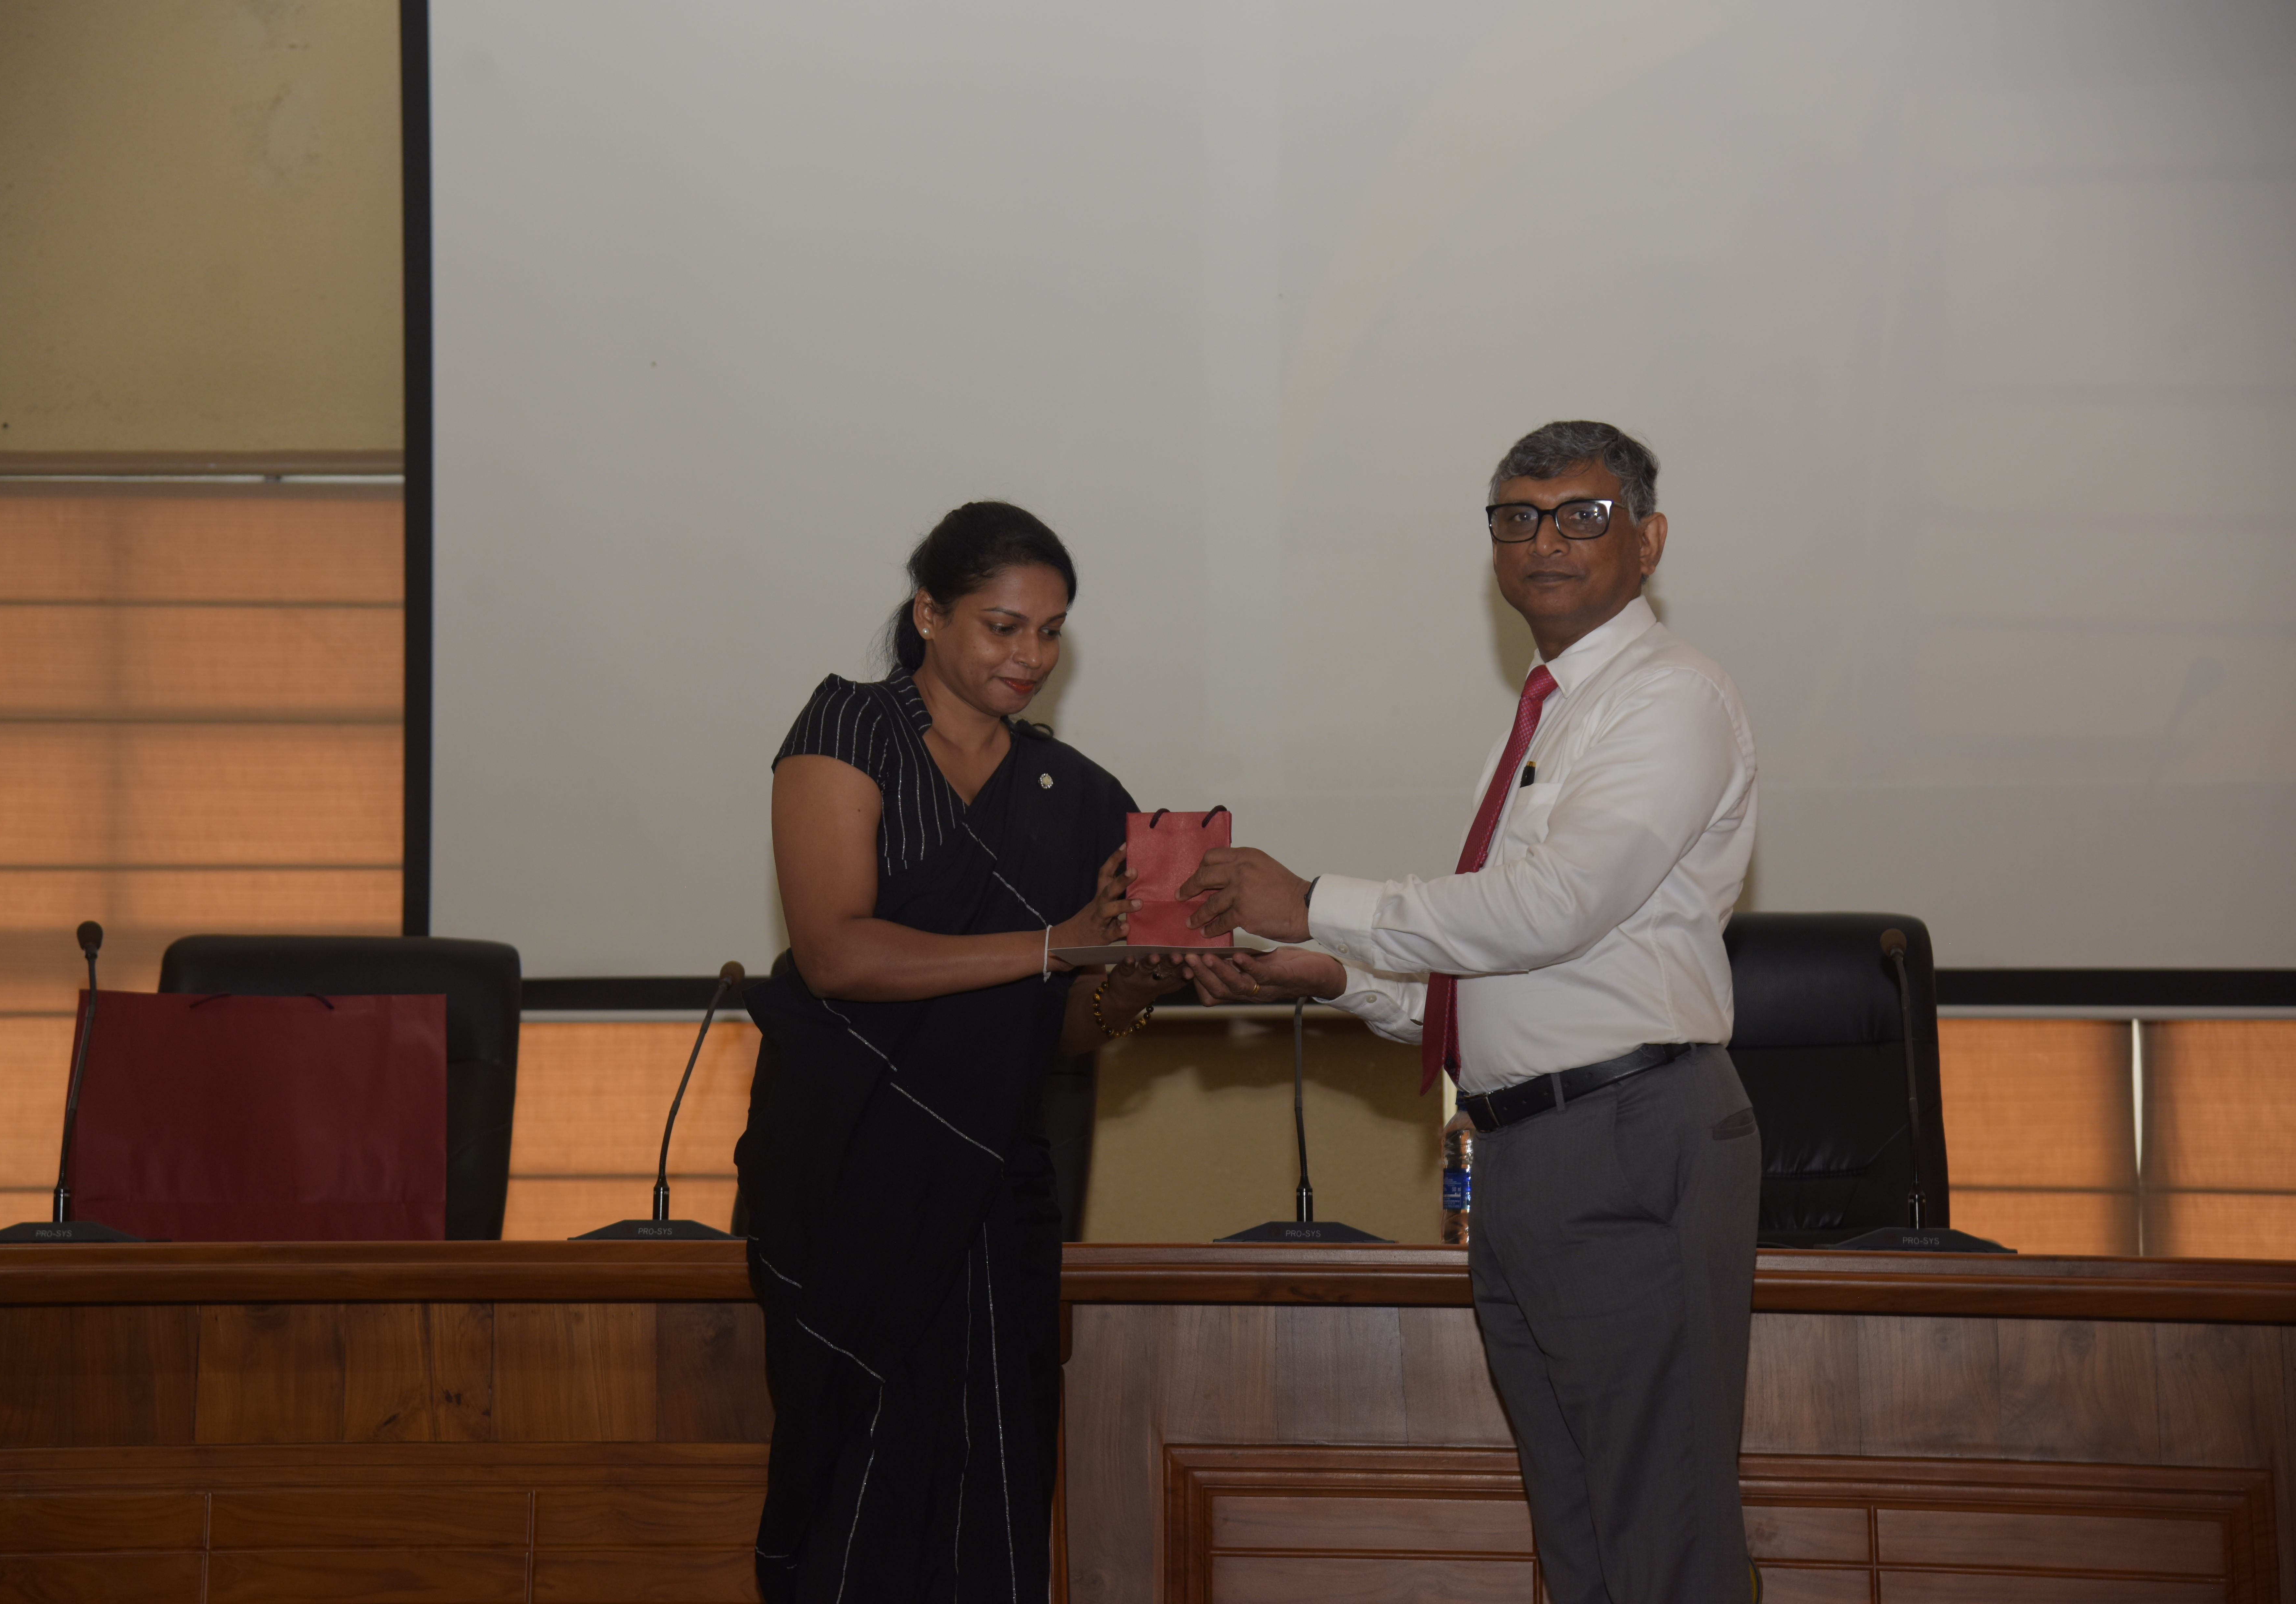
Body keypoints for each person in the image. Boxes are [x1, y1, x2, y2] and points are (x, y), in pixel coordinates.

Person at [1176, 422, 1762, 1603]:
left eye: (1582, 516)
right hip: (1527, 1153)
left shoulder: (1670, 697)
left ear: (1649, 541)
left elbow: (1553, 908)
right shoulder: (1550, 713)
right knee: (1580, 1535)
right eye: (1517, 518)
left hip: (1625, 1138)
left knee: (1661, 1535)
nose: (1546, 542)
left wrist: (1314, 902)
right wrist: (1340, 979)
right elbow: (1510, 979)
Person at [736, 501, 1177, 1603]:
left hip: (994, 1179)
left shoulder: (1074, 795)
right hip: (847, 1167)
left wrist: (1134, 985)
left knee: (997, 1483)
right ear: (929, 614)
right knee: (853, 1482)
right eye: (1002, 627)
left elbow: (1060, 1026)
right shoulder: (849, 728)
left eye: (1051, 632)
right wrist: (1056, 944)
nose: (1030, 657)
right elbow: (836, 952)